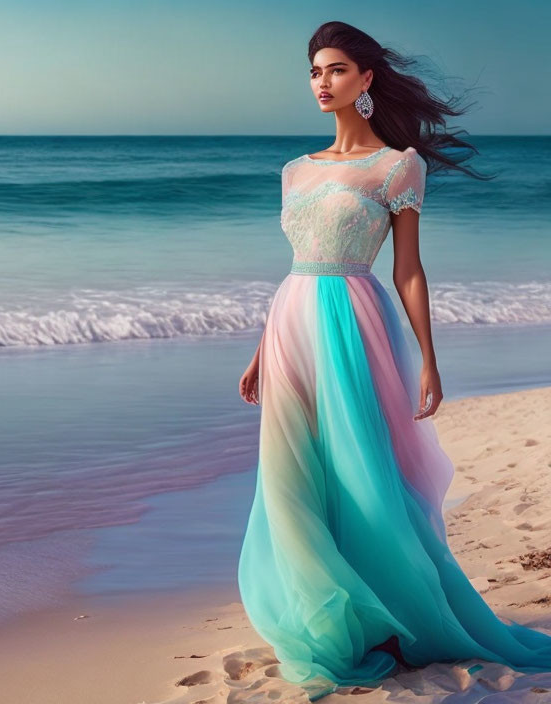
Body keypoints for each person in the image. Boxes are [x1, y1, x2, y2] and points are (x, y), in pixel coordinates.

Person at [236, 20, 551, 701]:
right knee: (292, 476)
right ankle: (332, 622)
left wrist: (430, 359)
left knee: (361, 473)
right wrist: (261, 349)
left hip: (354, 323)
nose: (323, 82)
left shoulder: (399, 165)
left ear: (367, 79)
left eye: (337, 70)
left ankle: (387, 616)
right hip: (291, 321)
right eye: (315, 71)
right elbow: (294, 265)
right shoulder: (295, 171)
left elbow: (408, 270)